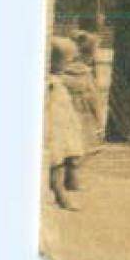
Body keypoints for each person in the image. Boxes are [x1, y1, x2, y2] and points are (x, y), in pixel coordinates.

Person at [45, 39, 87, 210]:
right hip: (53, 127)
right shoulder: (51, 82)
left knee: (63, 158)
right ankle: (60, 195)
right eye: (67, 60)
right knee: (56, 161)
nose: (69, 65)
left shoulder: (58, 79)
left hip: (63, 126)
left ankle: (63, 189)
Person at [67, 30, 104, 147]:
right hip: (83, 115)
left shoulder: (62, 72)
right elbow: (94, 101)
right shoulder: (86, 74)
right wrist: (99, 123)